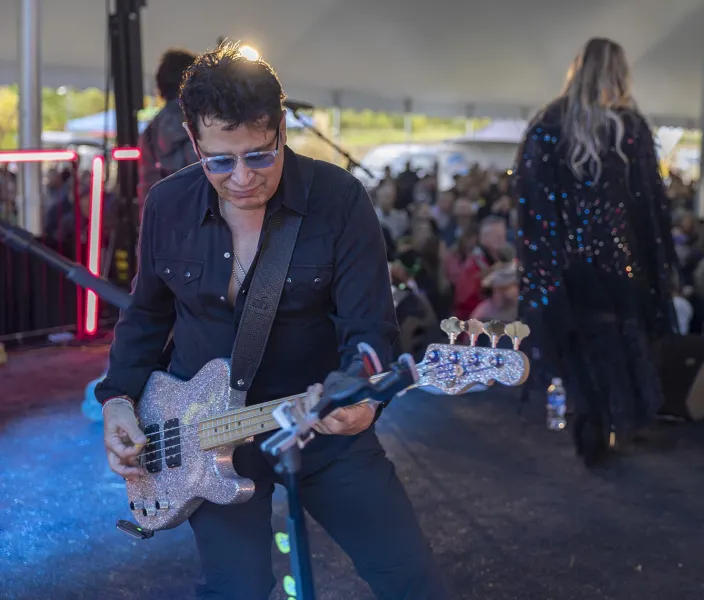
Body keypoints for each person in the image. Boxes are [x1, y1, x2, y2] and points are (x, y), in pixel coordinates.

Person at [96, 44, 449, 600]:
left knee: (409, 578)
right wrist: (117, 401)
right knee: (236, 589)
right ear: (193, 142)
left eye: (260, 155)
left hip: (318, 417)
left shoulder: (339, 200)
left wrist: (362, 400)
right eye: (219, 161)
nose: (241, 178)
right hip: (199, 433)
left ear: (281, 128)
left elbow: (371, 329)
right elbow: (145, 316)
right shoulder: (167, 204)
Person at [515, 37, 679, 467]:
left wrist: (543, 266)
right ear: (620, 73)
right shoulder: (629, 127)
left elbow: (531, 203)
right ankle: (618, 424)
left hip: (563, 264)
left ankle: (589, 422)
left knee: (576, 343)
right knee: (616, 341)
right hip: (619, 263)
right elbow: (649, 204)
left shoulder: (545, 125)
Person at [138, 48, 200, 212]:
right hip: (204, 219)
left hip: (165, 219)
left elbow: (147, 187)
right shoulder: (204, 123)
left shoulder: (151, 131)